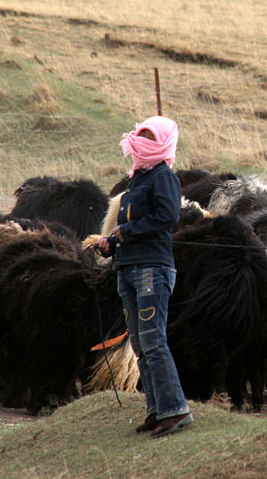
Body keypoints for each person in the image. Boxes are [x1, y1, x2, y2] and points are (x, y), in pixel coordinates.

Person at [96, 115, 193, 438]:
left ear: (164, 142)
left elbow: (168, 215)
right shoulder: (137, 178)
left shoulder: (164, 176)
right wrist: (112, 242)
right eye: (142, 134)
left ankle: (175, 410)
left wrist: (125, 230)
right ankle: (156, 409)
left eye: (151, 136)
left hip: (152, 267)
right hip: (129, 267)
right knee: (140, 343)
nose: (144, 140)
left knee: (153, 340)